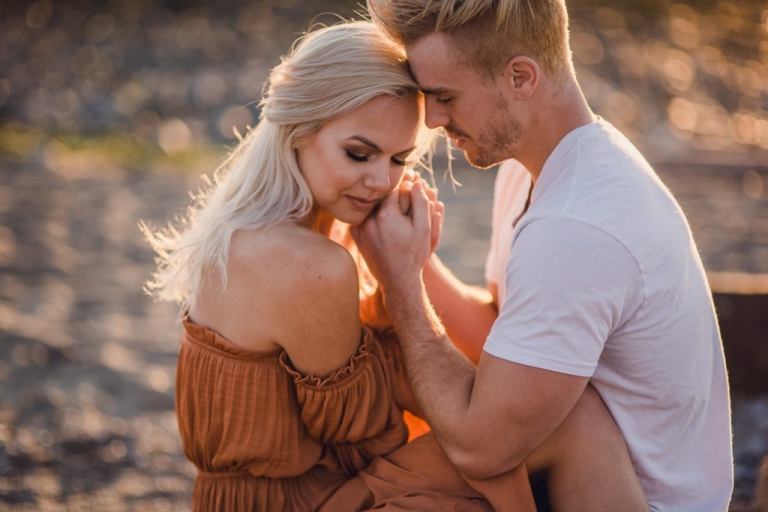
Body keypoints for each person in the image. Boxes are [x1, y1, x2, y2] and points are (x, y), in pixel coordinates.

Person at [141, 21, 537, 511]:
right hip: (296, 502)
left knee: (533, 437)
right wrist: (403, 279)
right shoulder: (311, 265)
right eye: (358, 153)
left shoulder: (256, 228)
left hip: (264, 495)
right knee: (524, 448)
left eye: (399, 160)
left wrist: (412, 263)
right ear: (298, 128)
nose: (379, 181)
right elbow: (371, 437)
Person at [356, 0, 735, 510]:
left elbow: (480, 447)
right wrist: (414, 259)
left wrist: (402, 288)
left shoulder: (575, 227)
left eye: (446, 96)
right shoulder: (542, 165)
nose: (433, 118)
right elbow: (505, 334)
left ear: (520, 77)